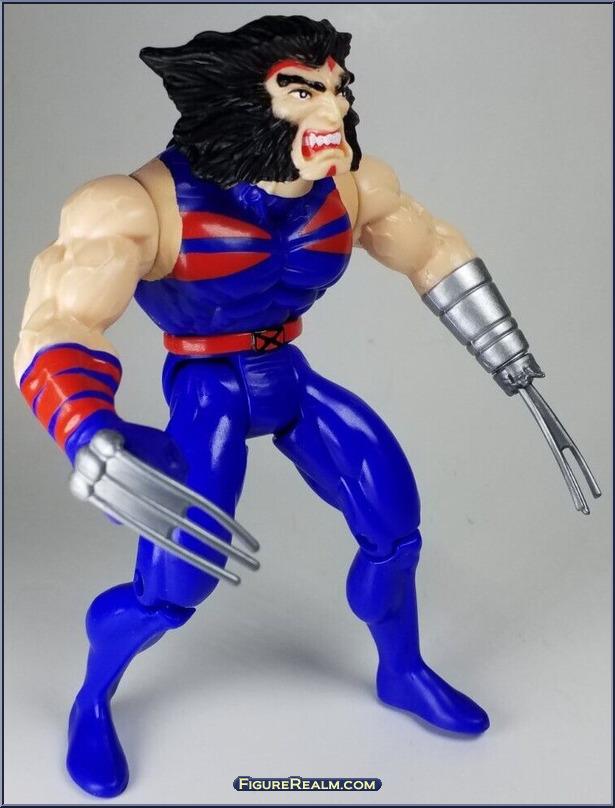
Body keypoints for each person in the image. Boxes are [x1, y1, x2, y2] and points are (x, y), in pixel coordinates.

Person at [14, 15, 598, 798]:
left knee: (394, 529)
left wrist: (508, 356)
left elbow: (430, 248)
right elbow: (57, 321)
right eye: (302, 91)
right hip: (208, 387)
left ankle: (401, 669)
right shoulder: (140, 206)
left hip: (286, 377)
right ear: (244, 102)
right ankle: (92, 698)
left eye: (336, 89)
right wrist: (85, 429)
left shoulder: (351, 186)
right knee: (170, 591)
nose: (332, 110)